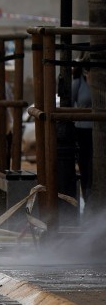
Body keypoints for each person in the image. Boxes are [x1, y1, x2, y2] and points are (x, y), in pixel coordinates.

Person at [71, 61, 93, 207]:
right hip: (82, 129)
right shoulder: (78, 82)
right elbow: (70, 102)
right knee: (85, 164)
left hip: (99, 130)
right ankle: (87, 196)